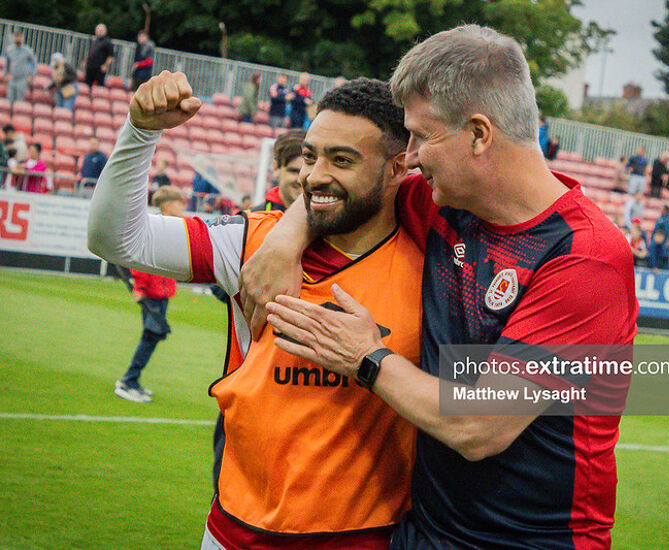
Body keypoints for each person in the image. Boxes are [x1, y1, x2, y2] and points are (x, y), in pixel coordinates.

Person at [245, 25, 637, 549]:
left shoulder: (586, 257)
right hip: (423, 531)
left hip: (533, 542)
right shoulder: (443, 202)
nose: (408, 156)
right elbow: (349, 188)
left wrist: (367, 358)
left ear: (479, 134)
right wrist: (285, 237)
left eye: (421, 136)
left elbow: (478, 429)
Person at [88, 72, 422, 549]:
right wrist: (141, 131)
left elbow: (492, 397)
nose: (314, 175)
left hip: (366, 538)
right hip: (232, 533)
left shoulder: (437, 265)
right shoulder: (251, 242)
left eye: (342, 160)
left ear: (396, 168)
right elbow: (115, 239)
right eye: (310, 156)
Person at [113, 186, 187, 402]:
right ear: (167, 206)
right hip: (151, 293)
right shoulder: (155, 227)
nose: (182, 206)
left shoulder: (171, 226)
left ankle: (132, 379)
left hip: (161, 292)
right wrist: (139, 288)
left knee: (153, 335)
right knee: (151, 335)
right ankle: (128, 381)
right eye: (178, 202)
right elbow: (142, 260)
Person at [251, 128, 304, 212]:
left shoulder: (328, 221)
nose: (301, 180)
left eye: (309, 172)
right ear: (276, 169)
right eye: (294, 171)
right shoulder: (250, 221)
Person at [2, 29, 36, 104]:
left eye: (20, 37)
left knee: (19, 102)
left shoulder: (28, 50)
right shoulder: (9, 49)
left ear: (23, 38)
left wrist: (31, 75)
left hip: (22, 79)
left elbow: (34, 63)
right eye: (16, 37)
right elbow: (7, 63)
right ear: (13, 38)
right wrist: (4, 75)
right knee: (9, 100)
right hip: (12, 78)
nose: (18, 38)